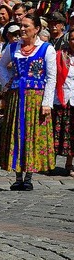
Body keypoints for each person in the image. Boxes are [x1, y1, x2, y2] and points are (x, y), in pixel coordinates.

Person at [0, 13, 56, 190]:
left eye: (26, 26)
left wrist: (47, 102)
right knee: (17, 132)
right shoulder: (13, 47)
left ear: (36, 29)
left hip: (36, 98)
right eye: (21, 26)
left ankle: (29, 177)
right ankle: (17, 176)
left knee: (32, 134)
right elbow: (1, 65)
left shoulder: (47, 48)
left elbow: (51, 77)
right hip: (17, 97)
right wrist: (7, 82)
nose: (22, 29)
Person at [52, 29, 74, 175]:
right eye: (72, 39)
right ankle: (50, 163)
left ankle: (69, 164)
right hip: (61, 98)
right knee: (55, 132)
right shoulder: (61, 55)